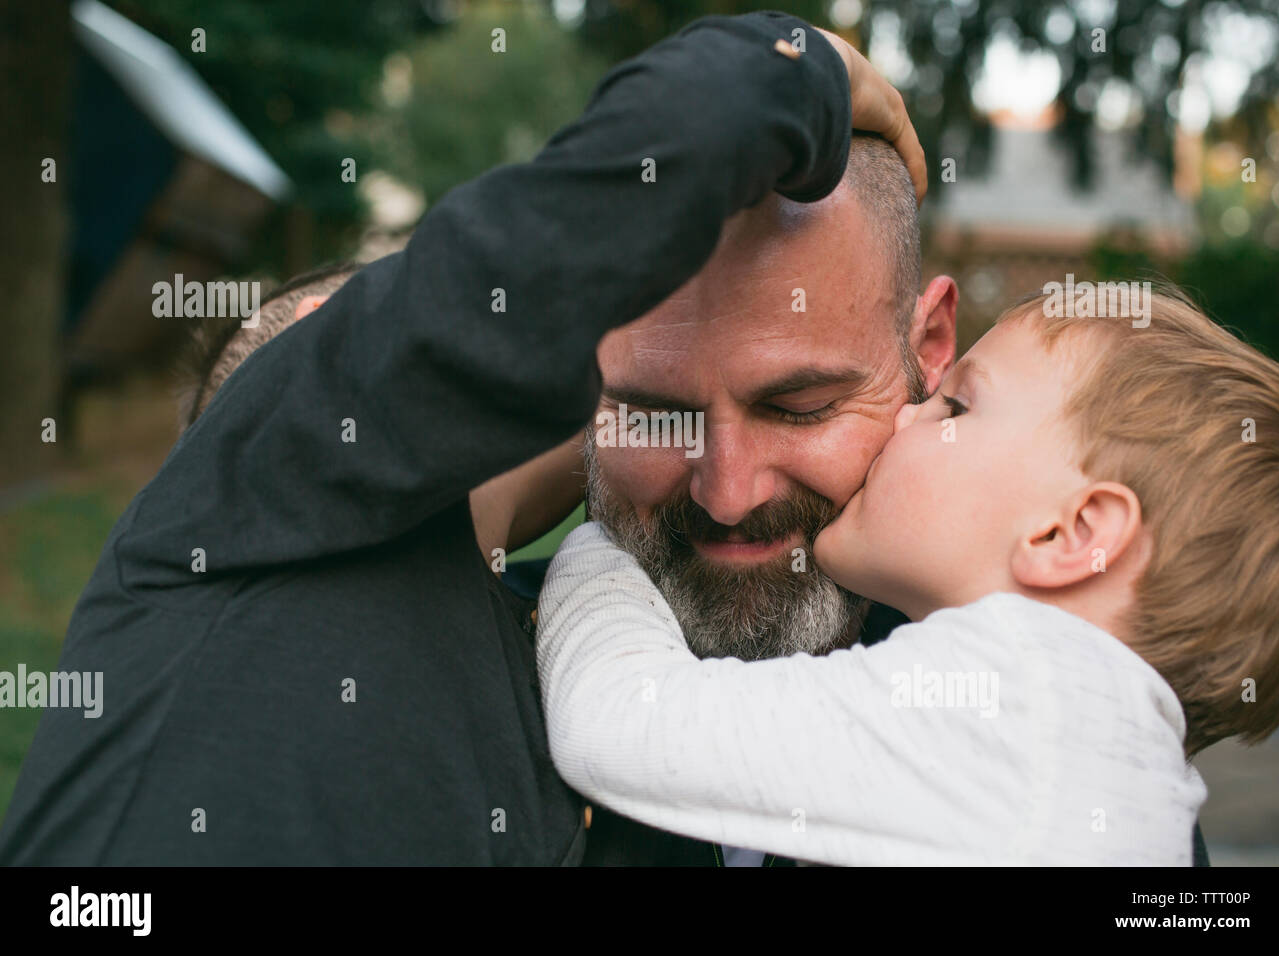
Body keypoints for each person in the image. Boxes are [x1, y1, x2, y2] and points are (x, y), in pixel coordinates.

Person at [0, 11, 924, 864]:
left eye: (798, 407)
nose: (724, 482)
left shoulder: (547, 671)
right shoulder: (242, 502)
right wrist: (796, 69)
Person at [536, 289, 1279, 864]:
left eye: (955, 405)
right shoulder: (1133, 780)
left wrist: (603, 546)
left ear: (1073, 534)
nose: (905, 417)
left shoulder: (1015, 702)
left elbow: (616, 721)